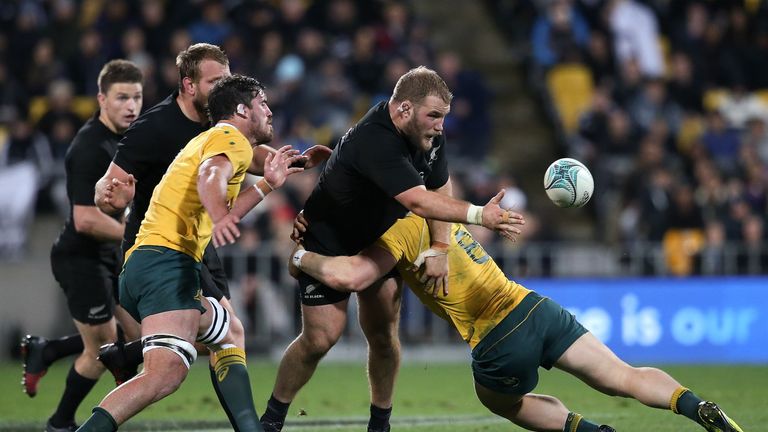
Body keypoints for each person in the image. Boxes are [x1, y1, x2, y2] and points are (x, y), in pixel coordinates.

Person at [288, 212, 744, 432]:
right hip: (535, 307)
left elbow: (349, 273)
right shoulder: (439, 211)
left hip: (495, 338)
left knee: (502, 402)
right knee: (623, 375)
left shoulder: (392, 231)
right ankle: (696, 405)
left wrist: (300, 255)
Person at [260, 66, 524, 432]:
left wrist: (440, 246)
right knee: (321, 338)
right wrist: (480, 214)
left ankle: (379, 425)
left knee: (384, 337)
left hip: (380, 238)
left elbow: (439, 187)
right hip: (327, 239)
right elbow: (419, 201)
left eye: (443, 117)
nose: (440, 125)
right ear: (403, 110)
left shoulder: (429, 136)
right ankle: (271, 419)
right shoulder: (375, 140)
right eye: (433, 115)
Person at [92, 43, 326, 428]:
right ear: (189, 85)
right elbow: (210, 175)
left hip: (179, 252)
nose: (225, 84)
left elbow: (250, 159)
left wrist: (290, 168)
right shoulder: (164, 128)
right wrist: (113, 197)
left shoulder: (215, 131)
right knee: (165, 373)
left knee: (229, 330)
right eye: (216, 80)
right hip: (160, 252)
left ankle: (133, 354)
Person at [19, 60, 144, 432]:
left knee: (141, 337)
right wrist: (136, 236)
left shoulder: (125, 141)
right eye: (122, 97)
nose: (131, 106)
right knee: (101, 348)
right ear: (101, 99)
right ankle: (60, 423)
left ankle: (50, 350)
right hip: (81, 257)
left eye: (137, 97)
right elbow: (85, 220)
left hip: (108, 256)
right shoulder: (90, 147)